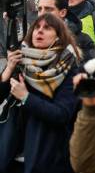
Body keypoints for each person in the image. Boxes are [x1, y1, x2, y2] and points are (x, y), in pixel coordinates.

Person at [0, 13, 81, 173]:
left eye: (47, 28)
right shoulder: (22, 62)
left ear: (59, 36)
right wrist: (9, 69)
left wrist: (26, 97)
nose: (40, 31)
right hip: (10, 155)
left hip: (46, 158)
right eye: (37, 27)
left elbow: (61, 114)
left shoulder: (68, 69)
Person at [37, 0, 95, 65]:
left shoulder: (84, 41)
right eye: (40, 9)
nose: (42, 14)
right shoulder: (31, 38)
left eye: (48, 9)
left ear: (63, 12)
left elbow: (87, 73)